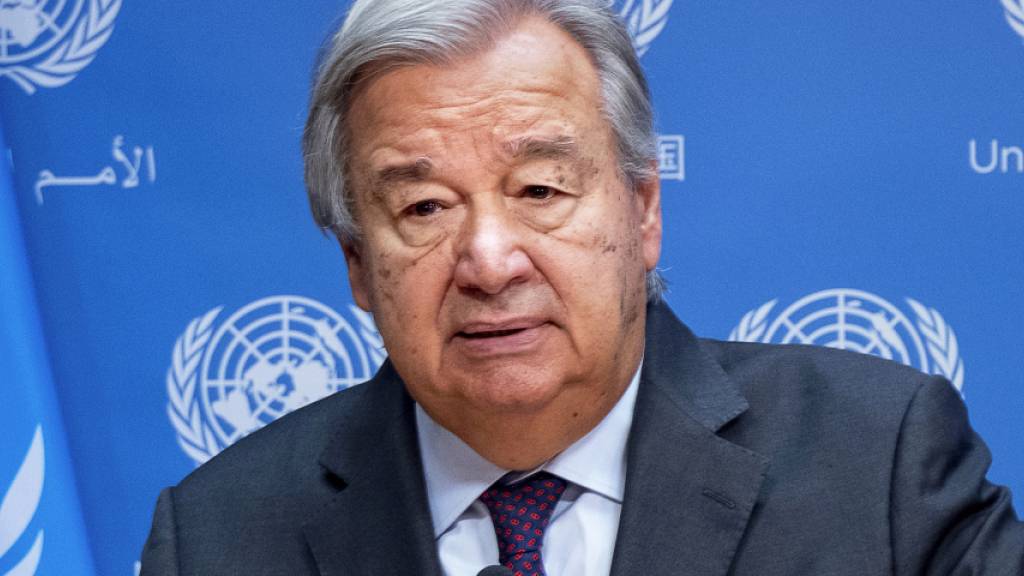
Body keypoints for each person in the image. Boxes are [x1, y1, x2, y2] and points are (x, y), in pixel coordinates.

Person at [140, 1, 1024, 574]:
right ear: (358, 267)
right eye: (423, 206)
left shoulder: (880, 467)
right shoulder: (221, 538)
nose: (489, 261)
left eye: (540, 191)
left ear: (643, 213)